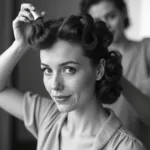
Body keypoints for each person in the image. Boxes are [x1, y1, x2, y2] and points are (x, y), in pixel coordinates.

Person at [0, 3, 146, 150]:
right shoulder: (47, 117)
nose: (55, 85)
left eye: (69, 69)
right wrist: (19, 45)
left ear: (99, 69)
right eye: (47, 70)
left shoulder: (126, 147)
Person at [80, 0, 150, 149]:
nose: (106, 25)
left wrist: (117, 76)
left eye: (111, 16)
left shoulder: (146, 49)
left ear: (123, 13)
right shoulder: (87, 61)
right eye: (98, 21)